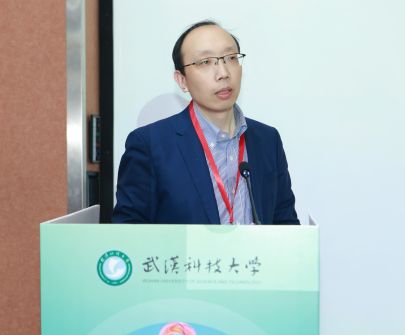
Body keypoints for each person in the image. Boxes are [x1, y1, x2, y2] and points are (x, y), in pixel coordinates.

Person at [112, 20, 299, 224]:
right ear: (182, 80)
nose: (223, 73)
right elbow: (129, 230)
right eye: (205, 62)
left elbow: (285, 223)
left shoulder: (267, 139)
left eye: (230, 58)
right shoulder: (149, 145)